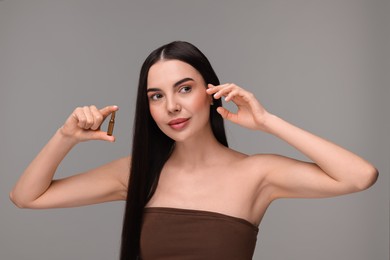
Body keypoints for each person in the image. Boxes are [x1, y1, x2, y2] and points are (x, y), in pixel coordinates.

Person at [10, 41, 378, 260]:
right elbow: (26, 197)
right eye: (156, 96)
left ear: (211, 90)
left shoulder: (257, 174)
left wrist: (266, 120)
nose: (171, 106)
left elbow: (360, 175)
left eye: (184, 88)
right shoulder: (135, 173)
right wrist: (65, 136)